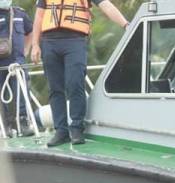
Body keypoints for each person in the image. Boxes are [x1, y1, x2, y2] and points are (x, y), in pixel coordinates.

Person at [31, 0, 129, 147]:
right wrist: (35, 45)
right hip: (49, 42)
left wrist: (126, 24)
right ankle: (61, 131)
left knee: (75, 83)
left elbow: (106, 6)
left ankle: (76, 128)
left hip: (74, 41)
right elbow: (39, 16)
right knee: (55, 89)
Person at [0, 0, 34, 137]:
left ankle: (24, 123)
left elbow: (30, 32)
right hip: (0, 65)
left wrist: (26, 50)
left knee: (23, 93)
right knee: (2, 98)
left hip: (18, 63)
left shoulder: (20, 14)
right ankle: (5, 126)